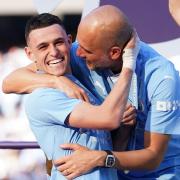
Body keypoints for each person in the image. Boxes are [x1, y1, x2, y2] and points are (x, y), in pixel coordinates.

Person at [3, 5, 180, 179]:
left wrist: (102, 157)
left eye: (85, 50)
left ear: (114, 53)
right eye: (77, 44)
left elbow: (153, 156)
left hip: (160, 173)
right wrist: (56, 80)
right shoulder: (72, 57)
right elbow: (9, 83)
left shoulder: (162, 77)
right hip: (116, 171)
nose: (77, 53)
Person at [14, 12, 138, 180]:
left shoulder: (80, 85)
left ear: (70, 42)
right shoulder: (44, 97)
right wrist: (129, 63)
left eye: (58, 42)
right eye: (43, 47)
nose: (54, 52)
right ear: (30, 54)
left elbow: (106, 153)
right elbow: (109, 119)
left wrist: (123, 129)